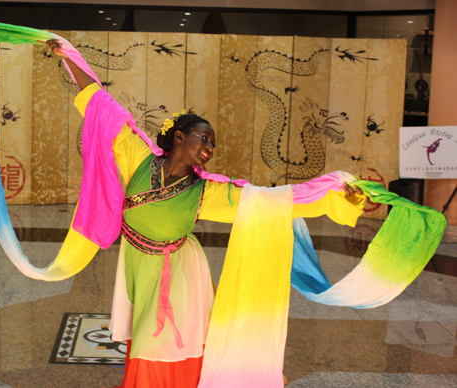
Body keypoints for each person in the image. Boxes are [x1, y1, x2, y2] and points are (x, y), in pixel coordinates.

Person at [44, 39, 365, 388]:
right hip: (138, 264)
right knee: (148, 336)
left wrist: (335, 193)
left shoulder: (205, 191)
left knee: (165, 344)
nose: (209, 148)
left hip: (180, 273)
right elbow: (102, 106)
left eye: (213, 144)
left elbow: (273, 201)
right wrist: (70, 57)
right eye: (204, 138)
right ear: (179, 137)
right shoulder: (137, 157)